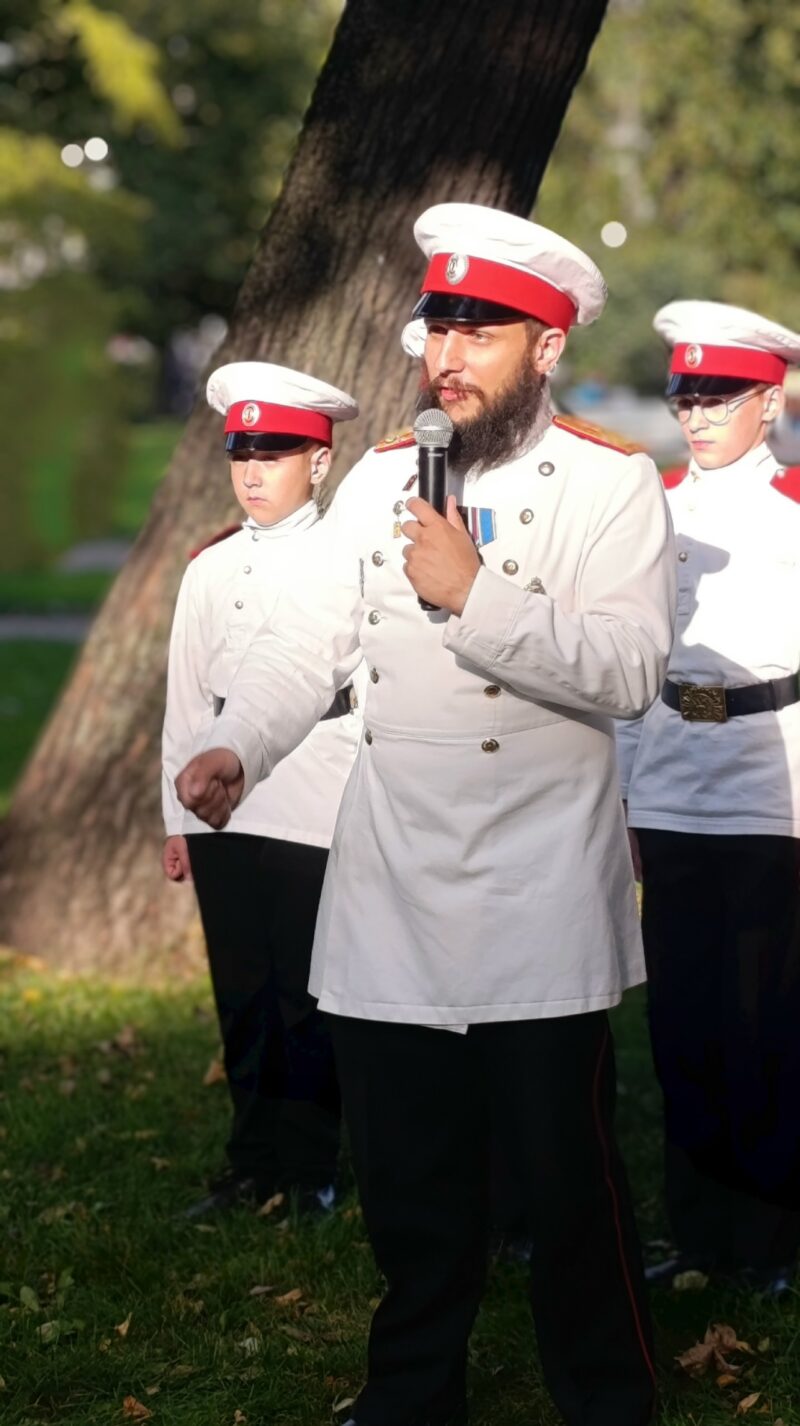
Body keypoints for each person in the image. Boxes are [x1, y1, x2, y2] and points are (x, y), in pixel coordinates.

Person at [175, 204, 676, 1426]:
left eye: (478, 333)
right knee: (406, 1178)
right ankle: (409, 1394)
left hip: (535, 882)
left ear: (544, 348)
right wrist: (237, 743)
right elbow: (306, 643)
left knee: (564, 1180)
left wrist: (474, 596)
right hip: (392, 876)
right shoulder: (381, 476)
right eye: (437, 329)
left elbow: (628, 670)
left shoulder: (610, 484)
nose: (446, 358)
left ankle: (606, 1399)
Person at [617, 300, 800, 1294]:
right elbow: (624, 668)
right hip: (669, 778)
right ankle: (697, 1231)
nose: (695, 414)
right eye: (684, 396)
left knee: (765, 1016)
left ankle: (768, 1237)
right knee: (682, 1020)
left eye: (718, 396)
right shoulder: (649, 507)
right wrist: (621, 795)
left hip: (772, 781)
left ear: (769, 402)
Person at [161, 361, 362, 1216]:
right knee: (242, 992)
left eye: (273, 454)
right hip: (223, 806)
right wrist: (175, 819)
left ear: (319, 461)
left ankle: (311, 1166)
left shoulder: (348, 554)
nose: (251, 472)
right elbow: (185, 700)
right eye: (241, 454)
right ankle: (252, 1160)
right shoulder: (209, 567)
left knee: (307, 995)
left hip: (318, 794)